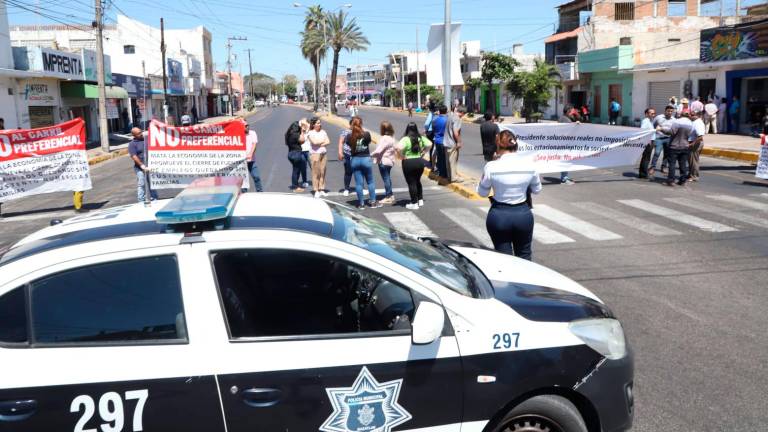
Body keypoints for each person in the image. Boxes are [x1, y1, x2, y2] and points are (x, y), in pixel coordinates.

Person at [477, 129, 542, 260]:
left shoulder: (491, 166)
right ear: (516, 146)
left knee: (504, 260)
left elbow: (482, 192)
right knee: (524, 257)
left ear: (498, 146)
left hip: (499, 215)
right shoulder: (530, 165)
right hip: (523, 215)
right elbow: (537, 190)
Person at [346, 116, 381, 209]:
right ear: (361, 124)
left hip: (355, 159)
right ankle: (373, 202)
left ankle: (361, 204)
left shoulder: (349, 136)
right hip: (365, 159)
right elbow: (368, 142)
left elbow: (348, 145)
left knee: (358, 183)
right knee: (370, 182)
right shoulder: (366, 134)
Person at [397, 122, 432, 209]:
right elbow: (430, 144)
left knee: (411, 183)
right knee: (417, 181)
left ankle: (414, 203)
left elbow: (398, 148)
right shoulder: (420, 138)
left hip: (408, 162)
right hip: (419, 161)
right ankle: (420, 200)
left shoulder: (405, 139)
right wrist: (423, 152)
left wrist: (401, 156)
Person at [658, 112, 693, 186]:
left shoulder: (677, 122)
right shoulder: (690, 123)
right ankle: (682, 180)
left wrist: (661, 129)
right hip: (685, 146)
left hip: (674, 146)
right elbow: (691, 135)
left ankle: (671, 180)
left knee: (672, 164)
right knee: (683, 164)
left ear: (680, 115)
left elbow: (671, 132)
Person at [128, 127, 158, 202]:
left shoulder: (146, 140)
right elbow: (133, 156)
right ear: (134, 135)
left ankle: (154, 197)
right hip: (139, 168)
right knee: (142, 183)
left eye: (141, 132)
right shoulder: (132, 144)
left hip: (150, 166)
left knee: (152, 182)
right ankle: (141, 200)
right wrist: (142, 165)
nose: (141, 134)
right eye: (138, 133)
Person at [371, 121, 396, 204]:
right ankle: (391, 194)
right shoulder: (392, 138)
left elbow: (378, 151)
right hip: (390, 161)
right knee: (387, 178)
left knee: (386, 179)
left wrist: (370, 155)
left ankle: (388, 196)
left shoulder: (384, 139)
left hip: (384, 161)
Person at [307, 119, 330, 197]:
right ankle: (316, 190)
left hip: (323, 153)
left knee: (322, 172)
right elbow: (314, 142)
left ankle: (321, 189)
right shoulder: (310, 133)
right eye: (318, 123)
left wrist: (320, 142)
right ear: (313, 124)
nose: (320, 124)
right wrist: (322, 141)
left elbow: (328, 141)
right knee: (316, 172)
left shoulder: (323, 131)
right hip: (315, 154)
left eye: (320, 123)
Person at [650, 105, 675, 177]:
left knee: (667, 154)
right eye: (668, 111)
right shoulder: (659, 117)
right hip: (659, 138)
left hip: (668, 138)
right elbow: (653, 125)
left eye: (671, 111)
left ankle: (664, 167)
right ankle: (652, 167)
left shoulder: (674, 119)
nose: (670, 113)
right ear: (665, 111)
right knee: (657, 153)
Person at [443, 105, 466, 183]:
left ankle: (450, 176)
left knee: (448, 160)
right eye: (464, 114)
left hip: (446, 142)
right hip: (452, 142)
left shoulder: (450, 116)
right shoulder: (457, 119)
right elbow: (456, 132)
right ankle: (454, 177)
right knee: (453, 160)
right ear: (462, 113)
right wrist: (459, 142)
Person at [284, 120, 307, 192]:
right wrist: (303, 132)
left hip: (291, 153)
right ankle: (295, 187)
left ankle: (295, 185)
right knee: (296, 171)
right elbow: (302, 140)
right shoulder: (295, 135)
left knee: (296, 170)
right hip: (296, 154)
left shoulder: (288, 134)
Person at [557, 107, 576, 185]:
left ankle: (565, 177)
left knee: (565, 160)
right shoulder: (566, 120)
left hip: (563, 144)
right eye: (572, 111)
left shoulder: (562, 118)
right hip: (565, 144)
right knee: (565, 160)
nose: (573, 112)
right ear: (568, 111)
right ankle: (564, 179)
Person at [244, 122, 263, 192]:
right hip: (242, 162)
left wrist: (250, 154)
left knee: (256, 176)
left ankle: (260, 192)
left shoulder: (252, 133)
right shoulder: (238, 135)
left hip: (251, 160)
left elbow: (254, 144)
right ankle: (244, 195)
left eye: (247, 125)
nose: (247, 127)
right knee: (243, 181)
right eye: (245, 126)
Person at [638, 108, 656, 179]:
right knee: (646, 158)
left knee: (646, 158)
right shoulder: (646, 121)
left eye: (654, 113)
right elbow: (643, 131)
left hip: (650, 141)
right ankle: (644, 174)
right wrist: (647, 140)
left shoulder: (650, 121)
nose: (653, 115)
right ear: (646, 114)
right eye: (651, 113)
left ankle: (642, 173)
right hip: (648, 142)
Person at [338, 118, 354, 196]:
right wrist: (340, 153)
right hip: (347, 154)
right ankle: (346, 189)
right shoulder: (345, 132)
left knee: (359, 172)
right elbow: (341, 142)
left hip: (357, 155)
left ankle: (361, 188)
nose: (354, 126)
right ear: (350, 125)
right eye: (353, 125)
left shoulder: (360, 132)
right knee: (348, 172)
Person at [688, 109, 706, 182]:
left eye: (692, 115)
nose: (690, 116)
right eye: (690, 114)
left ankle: (694, 176)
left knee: (694, 161)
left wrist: (692, 144)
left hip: (696, 143)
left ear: (698, 115)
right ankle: (691, 174)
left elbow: (700, 137)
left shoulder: (698, 123)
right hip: (693, 142)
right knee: (691, 160)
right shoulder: (694, 122)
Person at [431, 105, 448, 179]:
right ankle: (444, 174)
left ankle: (441, 173)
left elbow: (433, 129)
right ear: (446, 111)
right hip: (444, 141)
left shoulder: (434, 120)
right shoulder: (447, 120)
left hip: (437, 141)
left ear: (439, 111)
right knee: (444, 159)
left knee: (440, 158)